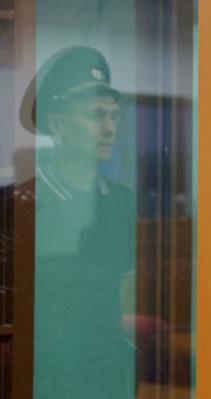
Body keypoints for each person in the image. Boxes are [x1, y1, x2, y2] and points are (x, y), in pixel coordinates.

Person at [17, 46, 136, 398]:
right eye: (96, 115)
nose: (109, 128)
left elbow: (128, 296)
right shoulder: (24, 203)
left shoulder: (120, 202)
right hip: (46, 379)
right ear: (57, 124)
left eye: (114, 116)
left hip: (109, 378)